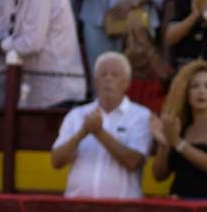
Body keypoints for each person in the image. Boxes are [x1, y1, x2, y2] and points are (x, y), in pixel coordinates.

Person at [50, 51, 152, 198]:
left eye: (115, 74)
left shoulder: (141, 116)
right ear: (95, 81)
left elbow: (133, 162)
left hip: (123, 210)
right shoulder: (76, 115)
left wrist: (99, 132)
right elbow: (56, 161)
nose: (108, 79)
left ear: (127, 83)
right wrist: (82, 133)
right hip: (77, 206)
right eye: (103, 75)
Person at [149, 59, 207, 199]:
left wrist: (178, 142)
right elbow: (159, 175)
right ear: (186, 92)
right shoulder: (181, 125)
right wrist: (164, 144)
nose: (201, 91)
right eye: (194, 86)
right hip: (178, 205)